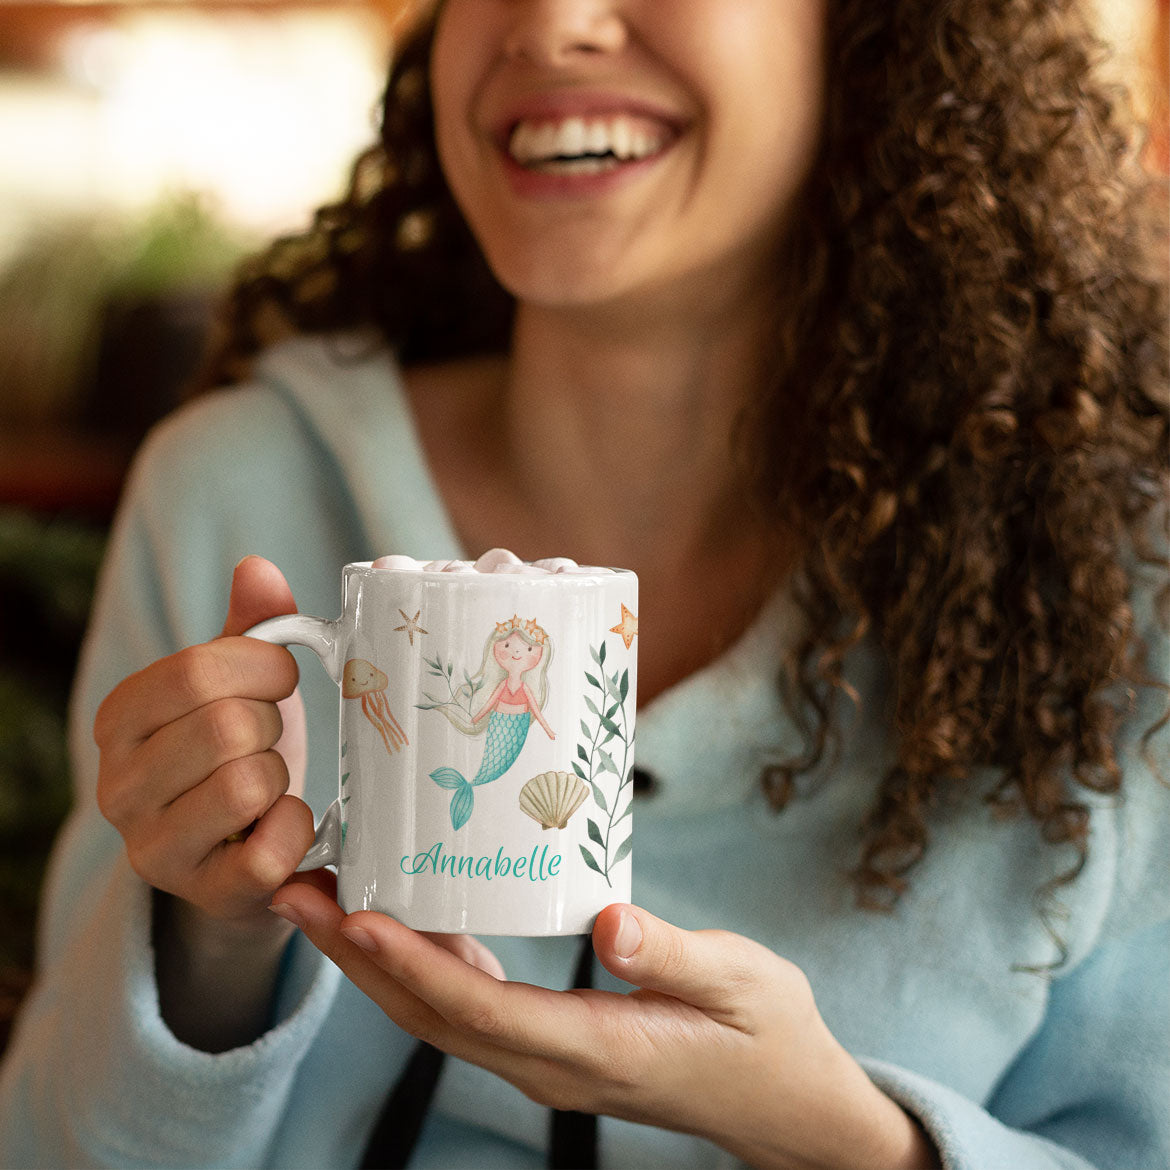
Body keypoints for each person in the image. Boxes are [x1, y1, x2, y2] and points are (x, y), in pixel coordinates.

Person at [1, 0, 1167, 1167]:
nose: (551, 23)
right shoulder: (234, 488)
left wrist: (845, 1139)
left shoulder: (1114, 584)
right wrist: (206, 945)